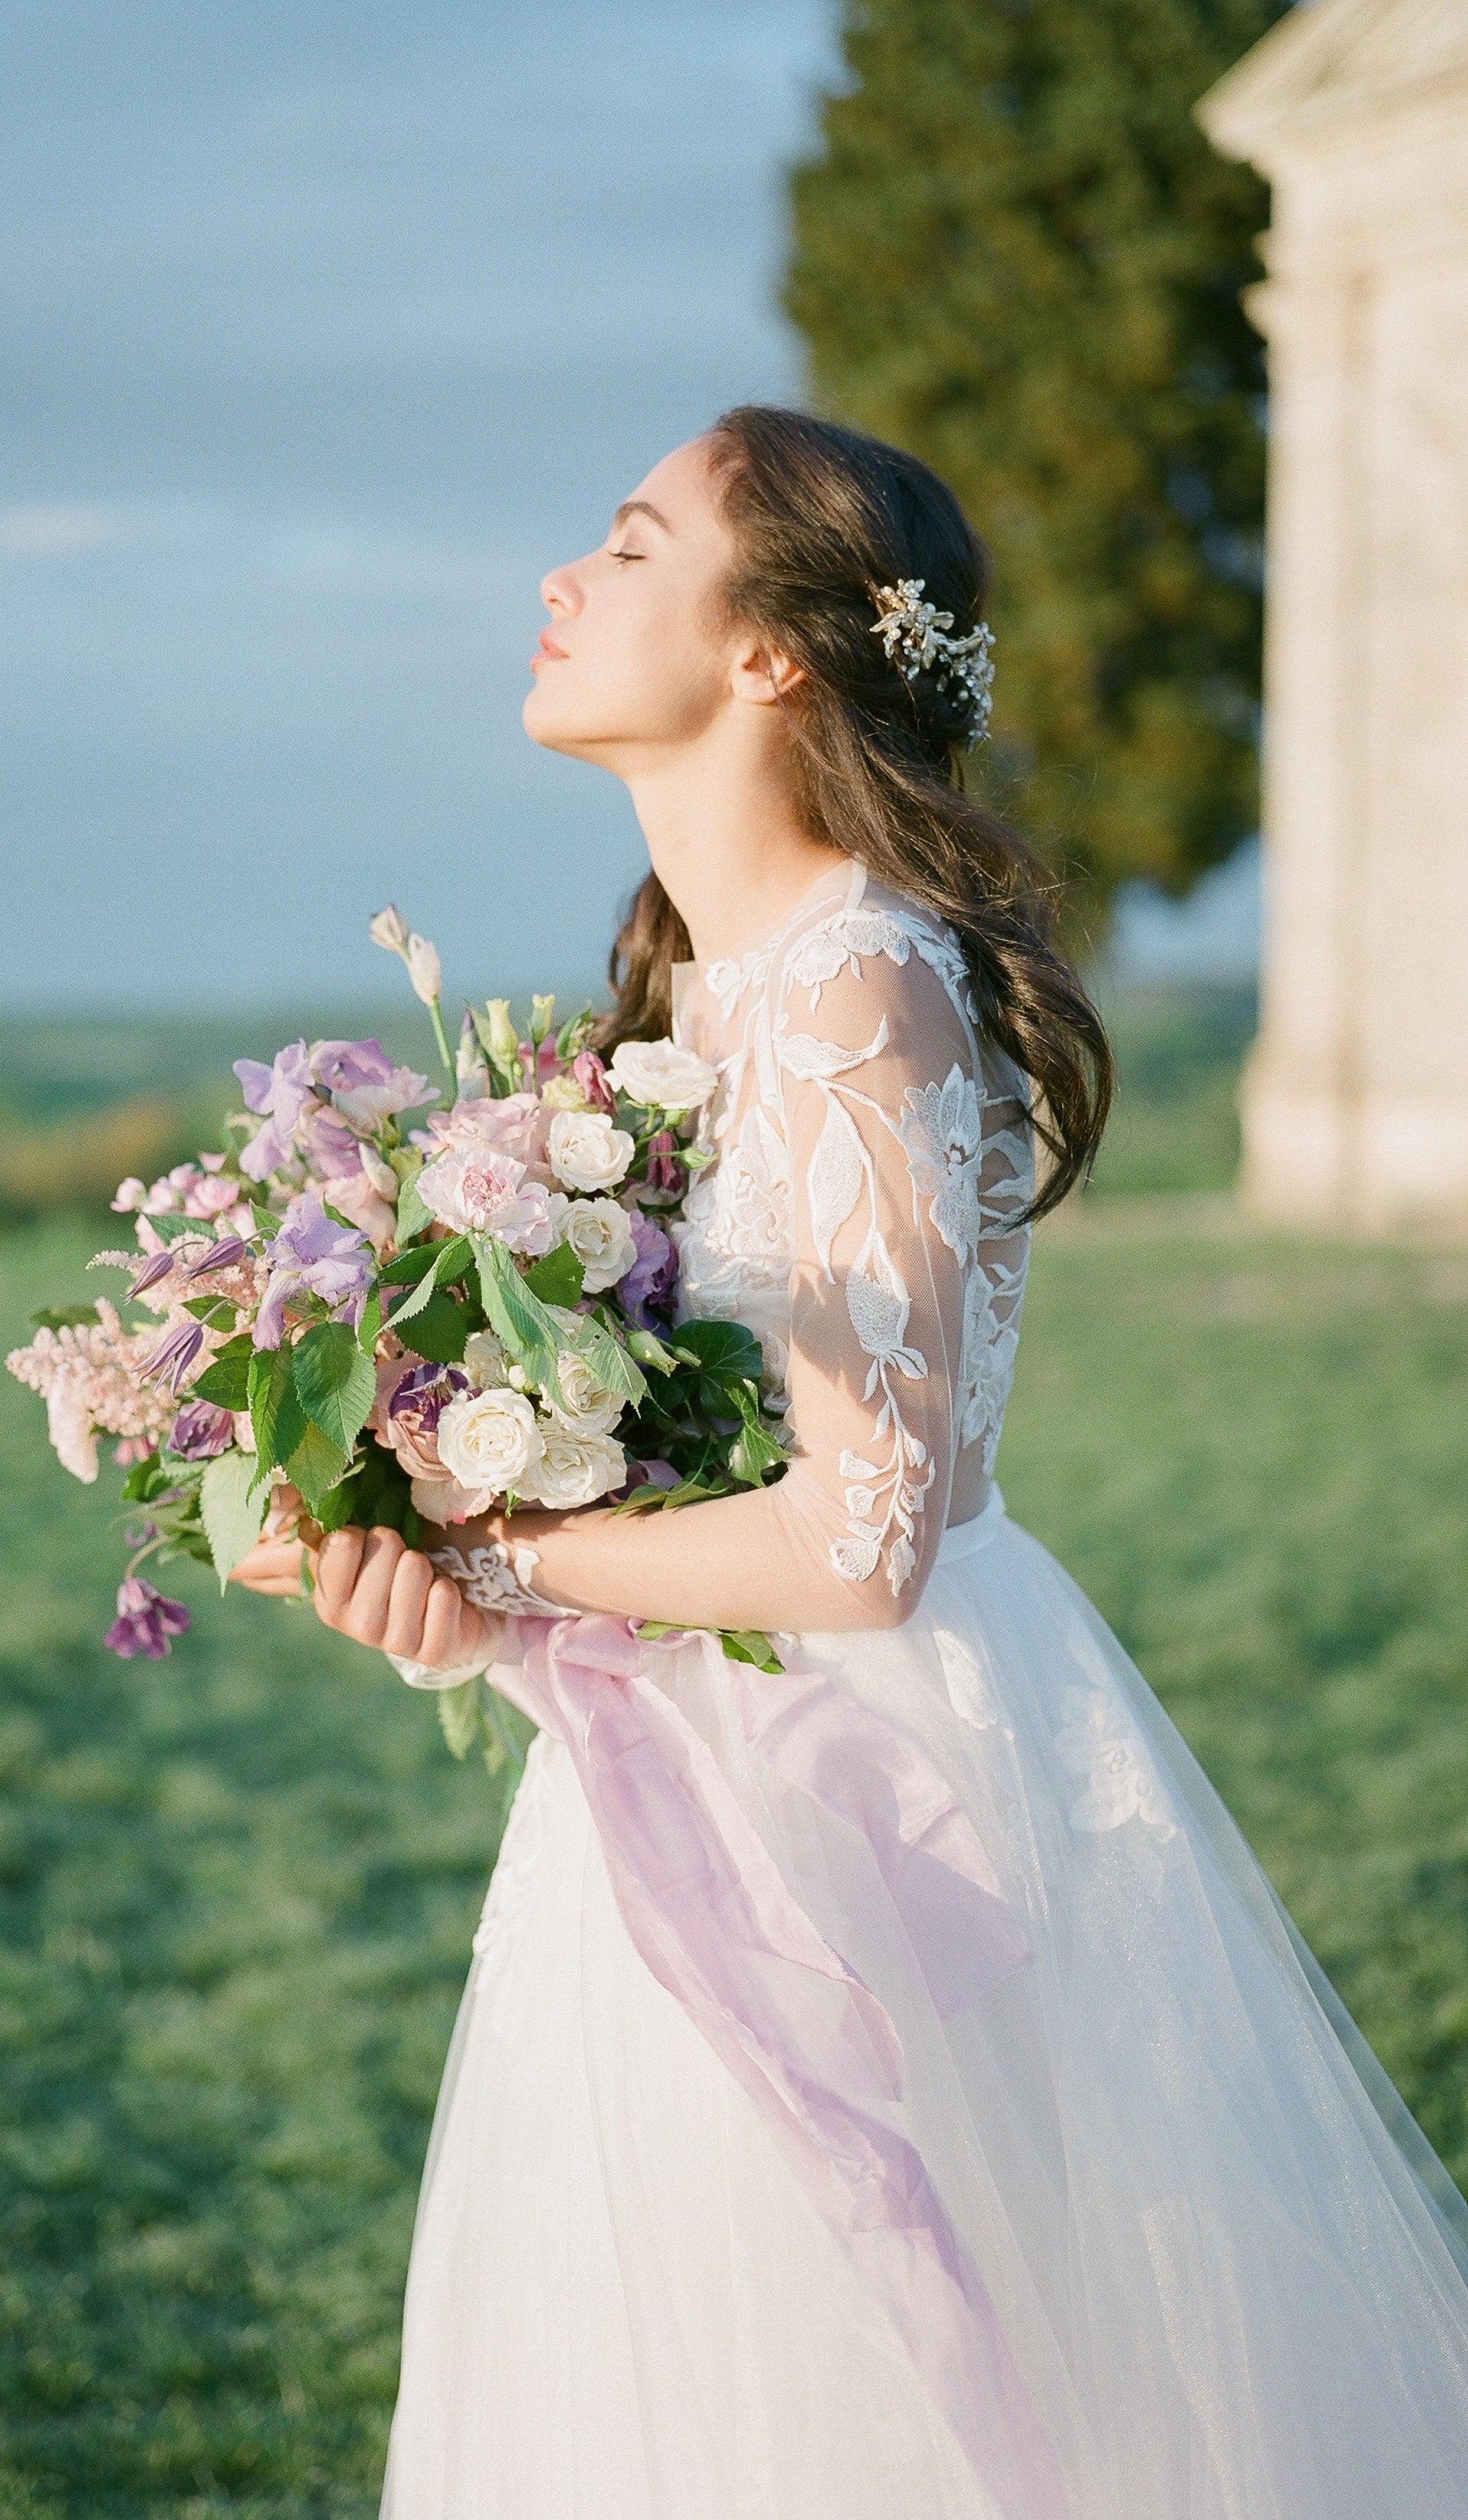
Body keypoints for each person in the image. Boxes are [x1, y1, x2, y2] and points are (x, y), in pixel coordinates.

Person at [234, 408, 1468, 2518]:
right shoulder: (689, 1004)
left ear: (770, 653)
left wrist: (502, 1545)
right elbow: (658, 1483)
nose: (564, 578)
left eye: (629, 544)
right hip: (673, 1760)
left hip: (879, 1798)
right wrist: (420, 1544)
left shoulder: (857, 988)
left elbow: (858, 1533)